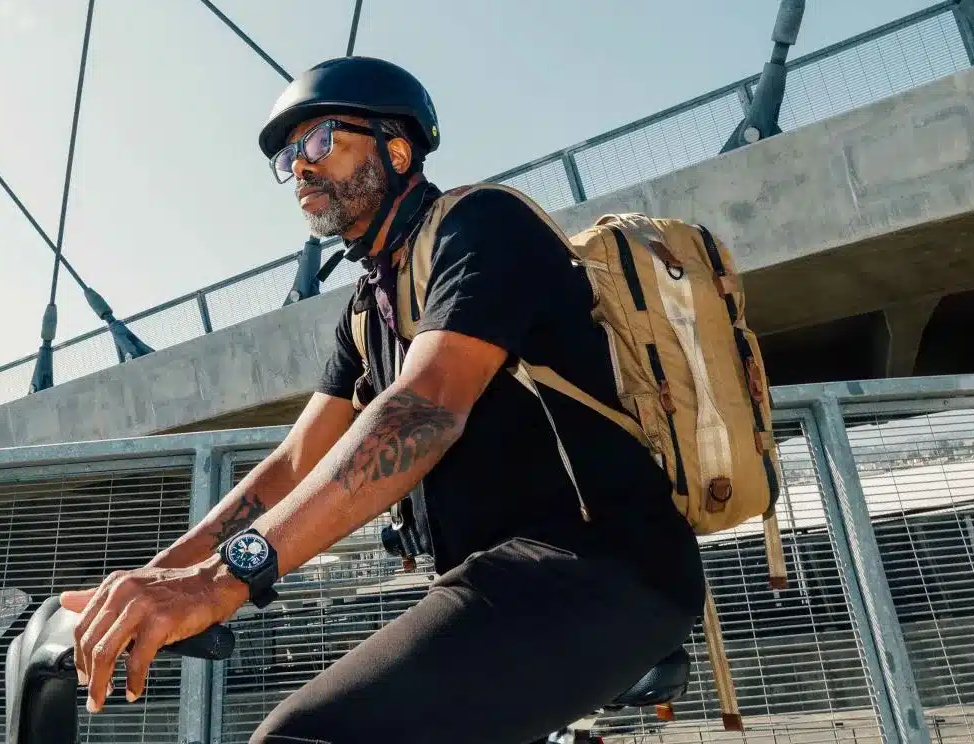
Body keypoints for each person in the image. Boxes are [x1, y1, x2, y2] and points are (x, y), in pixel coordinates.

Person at [62, 56, 706, 743]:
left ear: (396, 151)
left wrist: (222, 581)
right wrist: (151, 580)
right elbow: (293, 464)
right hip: (495, 579)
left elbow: (426, 405)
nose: (299, 165)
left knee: (302, 738)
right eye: (288, 156)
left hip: (599, 567)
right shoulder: (368, 309)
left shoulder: (481, 227)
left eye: (319, 140)